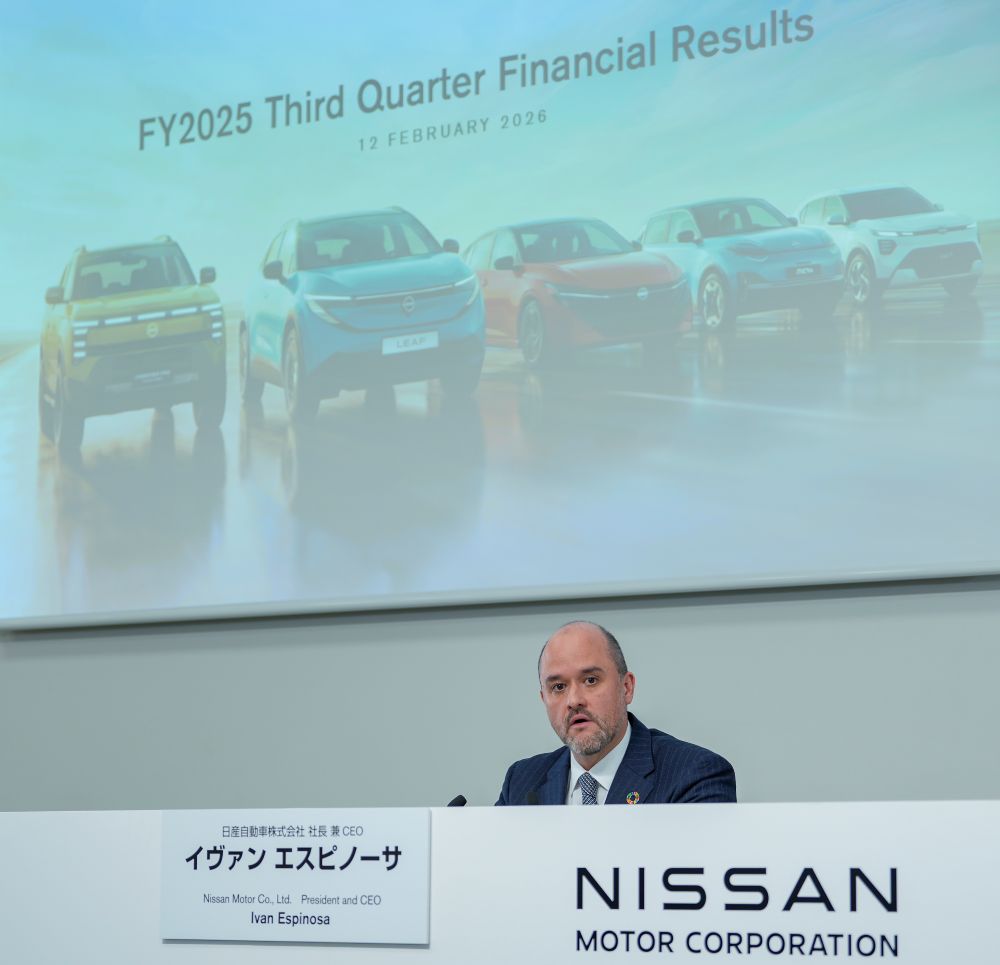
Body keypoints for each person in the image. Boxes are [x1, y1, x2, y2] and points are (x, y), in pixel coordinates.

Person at [496, 621, 736, 805]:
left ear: (626, 688)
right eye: (558, 687)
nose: (574, 700)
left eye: (591, 680)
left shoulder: (694, 774)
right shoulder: (521, 781)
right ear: (544, 699)